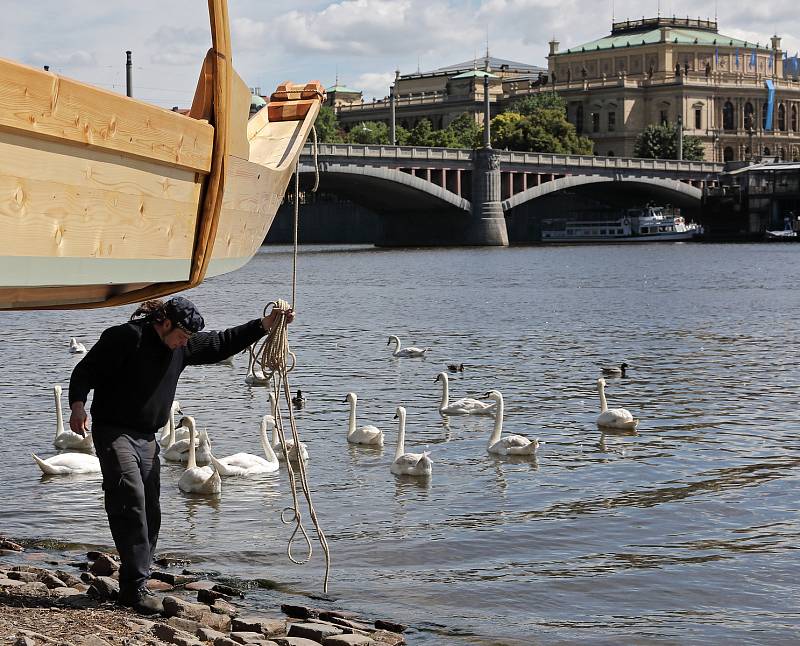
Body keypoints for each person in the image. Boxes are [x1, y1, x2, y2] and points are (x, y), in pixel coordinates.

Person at [68, 296, 293, 614]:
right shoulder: (125, 337)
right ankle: (133, 589)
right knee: (128, 497)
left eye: (188, 340)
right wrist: (77, 405)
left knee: (150, 508)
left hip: (147, 437)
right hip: (113, 430)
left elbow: (221, 342)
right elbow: (85, 370)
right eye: (181, 337)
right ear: (165, 323)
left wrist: (264, 326)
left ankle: (139, 580)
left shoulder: (181, 344)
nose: (183, 344)